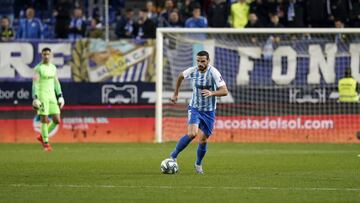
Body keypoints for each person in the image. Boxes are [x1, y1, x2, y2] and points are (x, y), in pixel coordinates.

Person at [167, 51, 229, 174]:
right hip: (195, 108)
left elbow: (225, 91)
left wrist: (212, 93)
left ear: (208, 61)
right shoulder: (193, 70)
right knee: (192, 134)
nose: (200, 63)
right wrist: (176, 93)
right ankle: (173, 156)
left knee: (203, 140)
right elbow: (180, 76)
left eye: (203, 61)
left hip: (209, 111)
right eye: (198, 61)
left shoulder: (214, 73)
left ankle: (198, 164)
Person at [32, 47, 65, 152]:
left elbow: (56, 82)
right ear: (41, 55)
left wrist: (60, 95)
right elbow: (35, 84)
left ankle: (42, 136)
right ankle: (46, 144)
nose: (46, 56)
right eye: (44, 54)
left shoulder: (53, 68)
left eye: (48, 54)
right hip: (42, 95)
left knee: (56, 119)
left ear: (50, 56)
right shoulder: (38, 68)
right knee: (44, 120)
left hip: (52, 95)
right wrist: (36, 98)